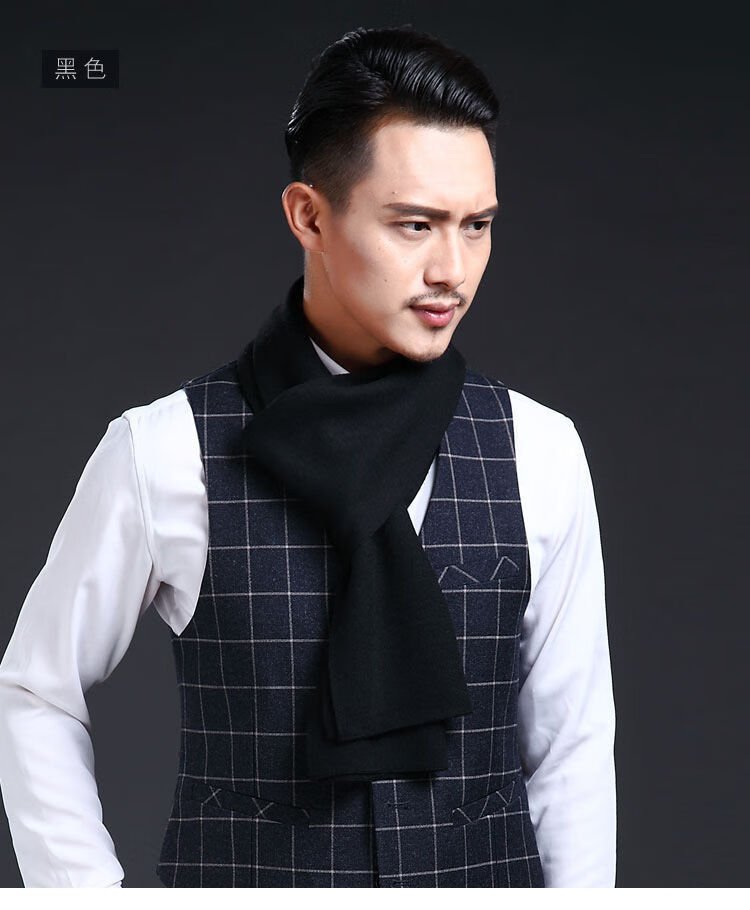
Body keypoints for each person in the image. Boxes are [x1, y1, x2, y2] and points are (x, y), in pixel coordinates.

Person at [0, 24, 616, 888]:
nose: (453, 268)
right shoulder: (166, 449)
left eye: (477, 226)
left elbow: (571, 745)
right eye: (415, 225)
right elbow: (34, 692)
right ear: (309, 216)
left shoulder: (539, 450)